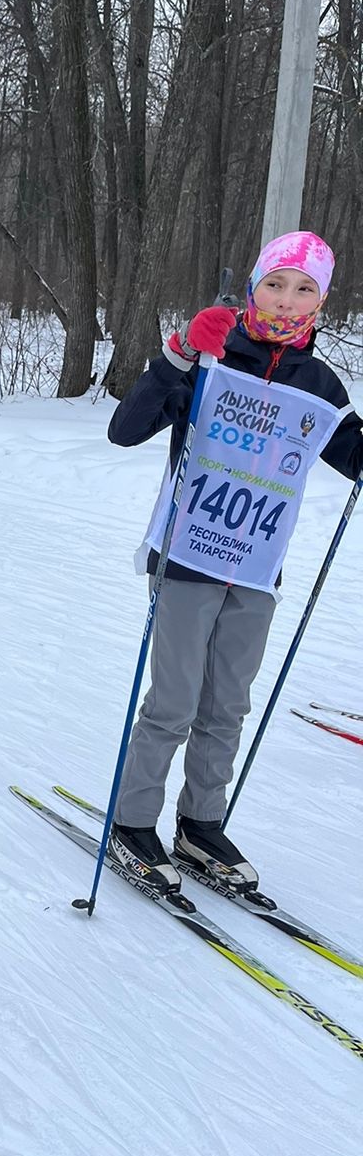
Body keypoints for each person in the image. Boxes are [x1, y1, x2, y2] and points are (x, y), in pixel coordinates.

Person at [107, 231, 363, 894]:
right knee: (172, 703)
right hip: (190, 555)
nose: (288, 299)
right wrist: (179, 355)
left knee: (227, 706)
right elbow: (126, 429)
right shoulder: (212, 357)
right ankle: (135, 824)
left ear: (322, 301)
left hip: (257, 567)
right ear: (254, 286)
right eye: (277, 283)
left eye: (305, 288)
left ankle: (200, 825)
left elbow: (353, 455)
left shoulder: (320, 385)